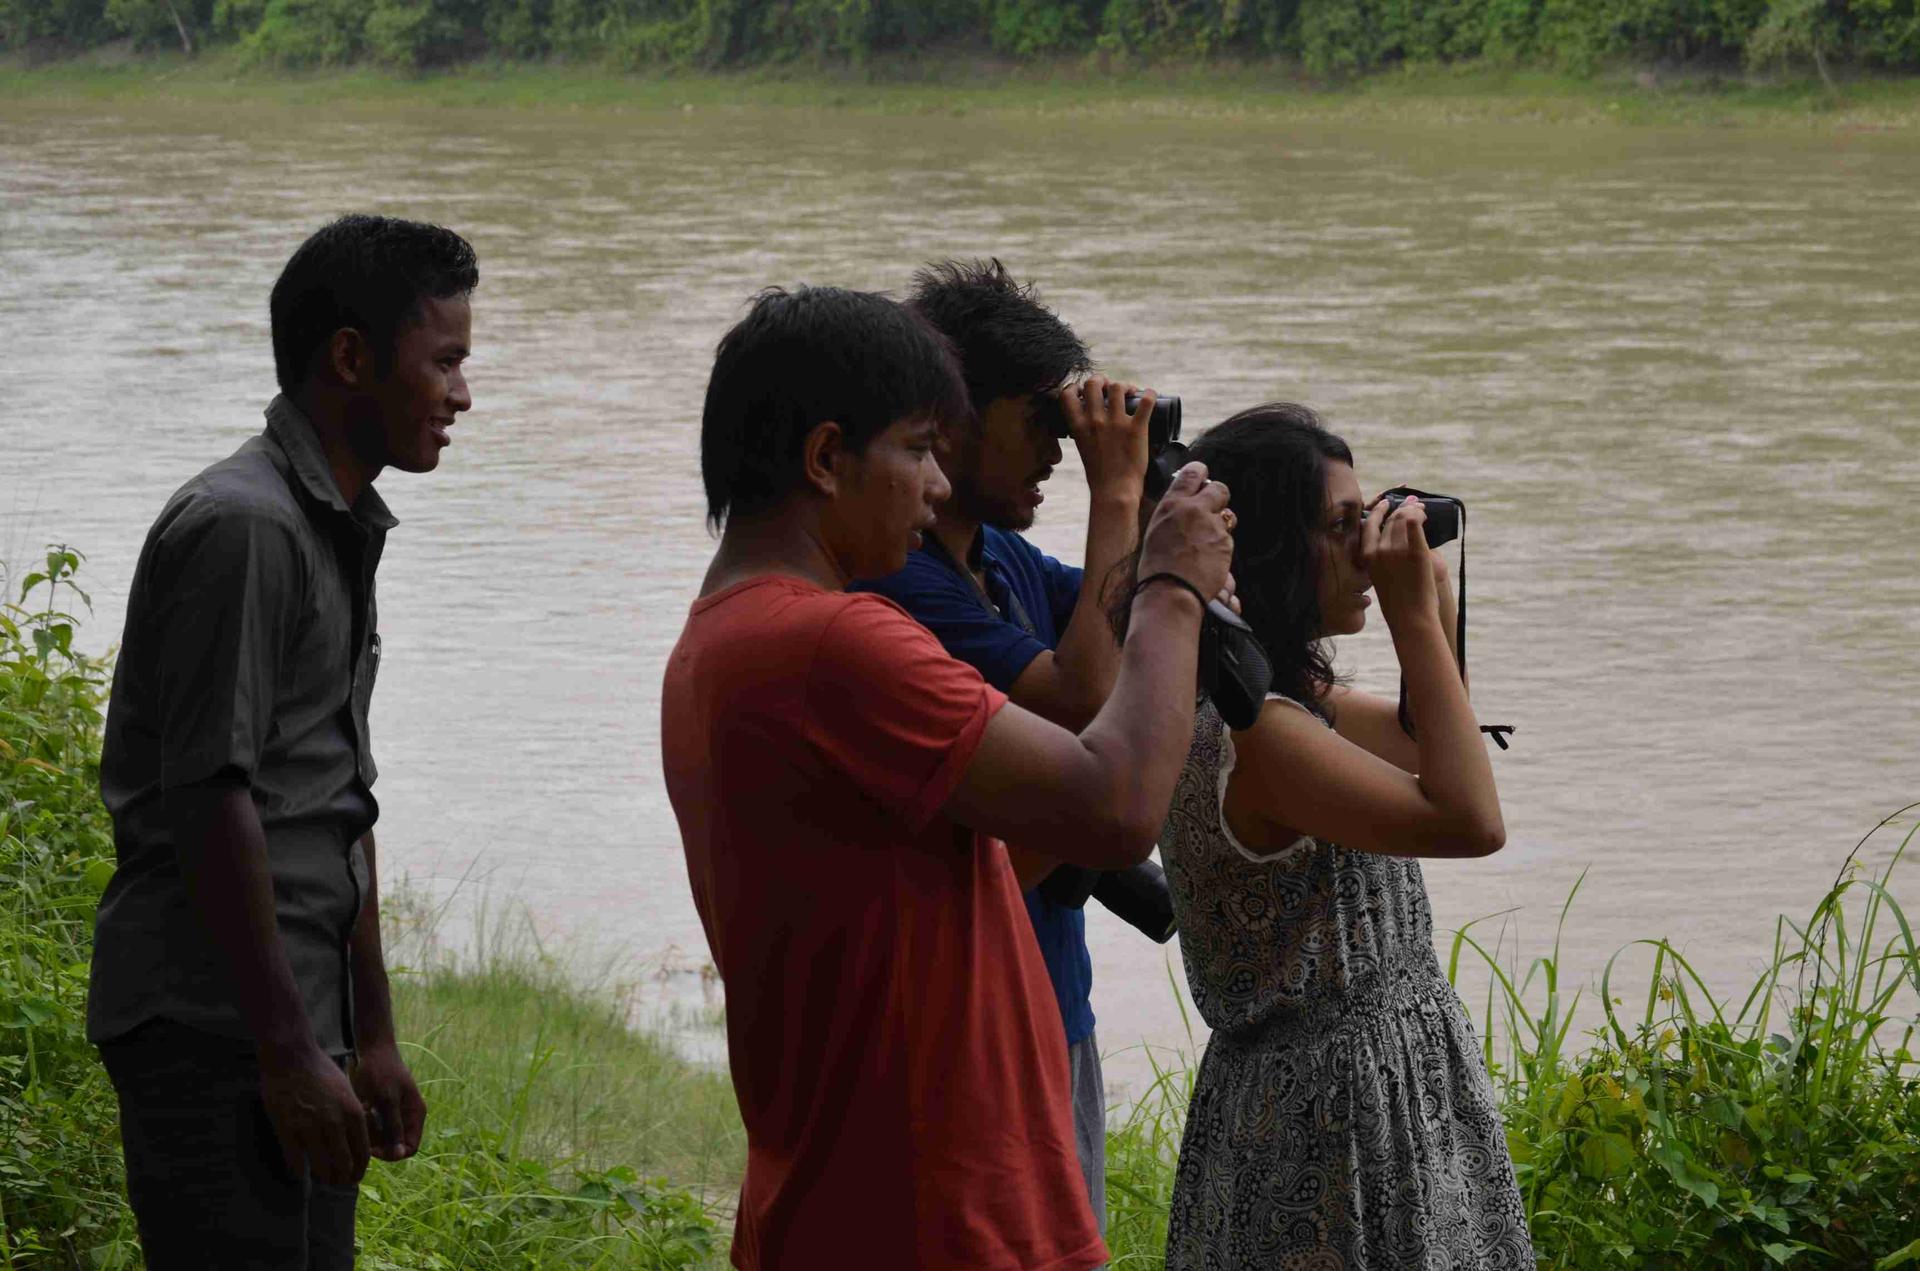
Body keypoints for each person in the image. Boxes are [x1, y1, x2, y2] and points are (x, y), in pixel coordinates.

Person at [660, 285, 1236, 1270]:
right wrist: (1173, 583)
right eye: (920, 447)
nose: (937, 486)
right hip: (933, 1212)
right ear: (826, 457)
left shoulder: (727, 636)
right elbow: (1116, 802)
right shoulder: (832, 642)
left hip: (857, 1192)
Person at [88, 214, 476, 1269]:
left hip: (290, 1030)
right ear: (350, 358)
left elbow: (335, 799)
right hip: (213, 1032)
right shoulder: (245, 527)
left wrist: (371, 1034)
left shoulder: (334, 526)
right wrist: (289, 1047)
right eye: (443, 360)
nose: (463, 395)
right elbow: (212, 796)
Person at [1152, 404, 1535, 1268]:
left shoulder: (1273, 702)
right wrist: (1412, 623)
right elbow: (1470, 818)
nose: (1366, 547)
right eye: (1340, 526)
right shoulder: (1260, 738)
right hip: (1334, 1124)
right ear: (1273, 550)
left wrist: (1431, 616)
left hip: (1359, 1093)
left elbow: (1418, 744)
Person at [855, 258, 1170, 1237]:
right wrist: (1117, 497)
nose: (1056, 450)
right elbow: (1081, 693)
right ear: (948, 419)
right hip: (959, 1037)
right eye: (1039, 423)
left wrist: (1183, 509)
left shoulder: (998, 560)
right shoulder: (899, 587)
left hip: (1048, 1008)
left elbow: (1141, 625)